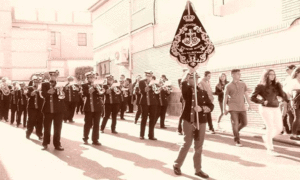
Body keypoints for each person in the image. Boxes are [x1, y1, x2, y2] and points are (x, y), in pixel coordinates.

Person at [173, 72, 214, 179]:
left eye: (197, 78)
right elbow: (182, 84)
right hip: (189, 120)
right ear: (188, 79)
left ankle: (198, 169)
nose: (195, 80)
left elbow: (211, 105)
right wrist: (188, 72)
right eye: (192, 78)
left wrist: (202, 108)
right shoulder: (187, 91)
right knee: (187, 143)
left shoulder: (203, 92)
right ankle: (177, 164)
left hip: (201, 121)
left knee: (199, 146)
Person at [251, 69, 289, 156]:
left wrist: (280, 87)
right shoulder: (260, 86)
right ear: (266, 75)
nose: (273, 76)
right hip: (265, 108)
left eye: (274, 74)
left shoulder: (276, 85)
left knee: (279, 128)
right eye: (270, 74)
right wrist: (262, 101)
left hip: (276, 108)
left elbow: (283, 95)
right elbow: (252, 97)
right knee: (270, 127)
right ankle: (270, 149)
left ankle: (267, 138)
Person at [223, 69, 252, 147]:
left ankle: (235, 131)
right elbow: (225, 98)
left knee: (244, 123)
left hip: (242, 107)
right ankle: (237, 140)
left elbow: (246, 95)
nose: (240, 75)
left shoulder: (243, 84)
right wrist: (224, 108)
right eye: (238, 74)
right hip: (232, 108)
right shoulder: (228, 86)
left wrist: (249, 104)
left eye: (240, 74)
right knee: (235, 123)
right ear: (233, 75)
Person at [41, 70, 65, 151]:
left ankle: (57, 144)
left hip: (58, 109)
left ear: (57, 76)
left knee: (58, 128)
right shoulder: (44, 84)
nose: (53, 77)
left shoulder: (60, 84)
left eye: (55, 76)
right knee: (47, 127)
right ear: (49, 76)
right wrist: (50, 92)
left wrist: (61, 92)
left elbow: (64, 96)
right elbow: (43, 95)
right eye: (52, 75)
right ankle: (45, 143)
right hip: (48, 109)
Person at [82, 72, 103, 145]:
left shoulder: (98, 85)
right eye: (90, 77)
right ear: (87, 78)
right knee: (88, 124)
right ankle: (85, 138)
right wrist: (91, 88)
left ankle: (95, 139)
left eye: (93, 77)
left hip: (97, 107)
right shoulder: (84, 85)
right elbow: (84, 94)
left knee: (96, 124)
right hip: (88, 107)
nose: (92, 79)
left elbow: (101, 94)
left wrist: (99, 90)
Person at [139, 70, 158, 140]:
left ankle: (151, 135)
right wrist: (148, 86)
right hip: (144, 102)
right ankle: (142, 135)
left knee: (152, 119)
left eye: (150, 76)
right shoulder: (141, 82)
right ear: (145, 75)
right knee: (144, 118)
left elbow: (157, 92)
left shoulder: (154, 82)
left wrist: (158, 87)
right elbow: (142, 92)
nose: (149, 77)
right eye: (148, 76)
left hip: (153, 102)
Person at [284, 66, 300, 141]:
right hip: (296, 100)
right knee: (297, 117)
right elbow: (288, 92)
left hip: (297, 98)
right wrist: (290, 101)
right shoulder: (293, 81)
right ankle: (293, 134)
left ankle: (295, 133)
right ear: (297, 73)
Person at [26, 76, 44, 140]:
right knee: (31, 120)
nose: (36, 83)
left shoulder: (42, 88)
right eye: (35, 81)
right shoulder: (30, 88)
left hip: (40, 107)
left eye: (38, 81)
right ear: (33, 81)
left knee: (40, 120)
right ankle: (28, 133)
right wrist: (36, 90)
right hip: (31, 108)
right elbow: (29, 95)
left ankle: (39, 134)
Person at [282, 65, 296, 134]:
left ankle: (296, 130)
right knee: (290, 115)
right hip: (287, 99)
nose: (286, 71)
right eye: (286, 70)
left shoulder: (296, 77)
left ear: (293, 69)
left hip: (294, 99)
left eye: (288, 69)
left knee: (296, 115)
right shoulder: (287, 78)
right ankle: (291, 129)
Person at [177, 68, 189, 135]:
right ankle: (179, 129)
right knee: (183, 112)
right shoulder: (180, 80)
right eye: (185, 72)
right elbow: (182, 89)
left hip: (190, 97)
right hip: (184, 98)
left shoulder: (190, 79)